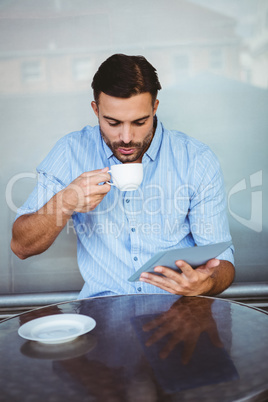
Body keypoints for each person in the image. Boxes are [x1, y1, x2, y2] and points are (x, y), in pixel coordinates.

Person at [11, 54, 235, 299]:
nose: (126, 137)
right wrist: (65, 202)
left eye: (140, 122)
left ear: (155, 108)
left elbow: (223, 264)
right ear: (96, 110)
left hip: (180, 312)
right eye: (113, 122)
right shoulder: (70, 152)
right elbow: (21, 246)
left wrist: (205, 284)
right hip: (102, 312)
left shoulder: (196, 160)